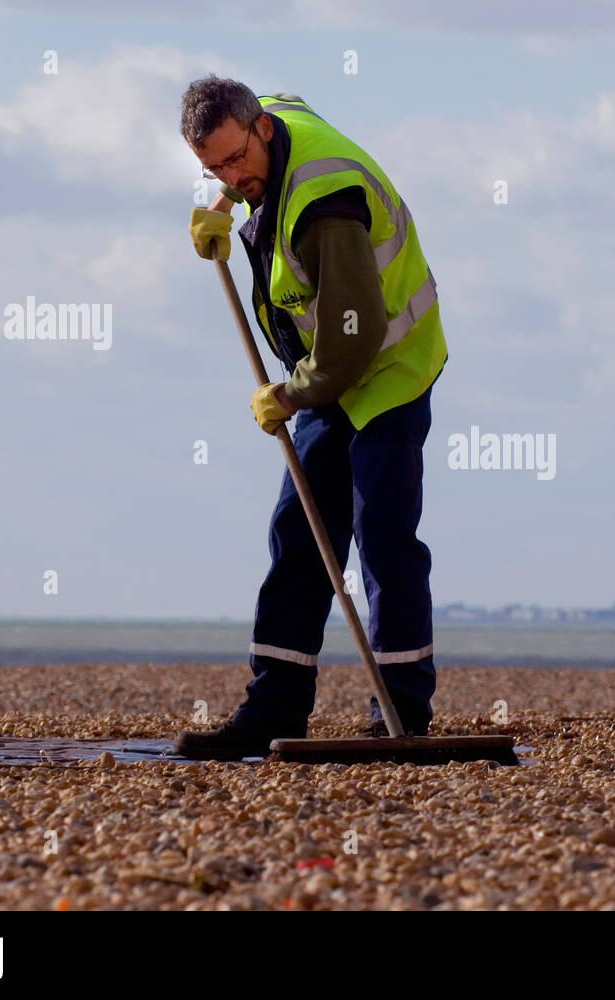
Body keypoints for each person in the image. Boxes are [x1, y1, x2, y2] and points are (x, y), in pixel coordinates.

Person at [174, 76, 447, 760]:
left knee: (383, 534)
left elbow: (352, 341)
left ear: (261, 128)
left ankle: (402, 714)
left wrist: (291, 396)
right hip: (327, 371)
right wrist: (220, 205)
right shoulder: (271, 121)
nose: (233, 176)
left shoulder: (325, 203)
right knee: (299, 535)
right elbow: (266, 124)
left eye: (237, 161)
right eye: (214, 168)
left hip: (386, 366)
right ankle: (273, 709)